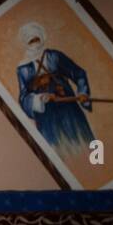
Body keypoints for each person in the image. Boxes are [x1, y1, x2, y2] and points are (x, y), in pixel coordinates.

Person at [15, 21, 95, 153]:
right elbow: (23, 98)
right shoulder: (23, 68)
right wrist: (40, 99)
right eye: (31, 41)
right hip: (46, 118)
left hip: (69, 110)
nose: (35, 44)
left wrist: (83, 92)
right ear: (25, 43)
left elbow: (79, 74)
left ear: (42, 38)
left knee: (83, 146)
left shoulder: (55, 56)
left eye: (37, 39)